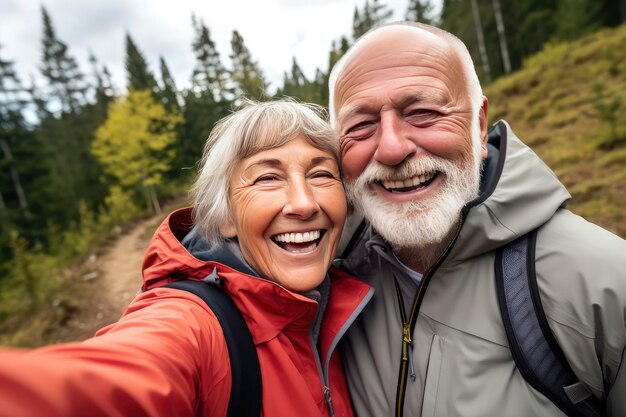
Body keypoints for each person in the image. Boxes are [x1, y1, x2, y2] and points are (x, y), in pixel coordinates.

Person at [0, 99, 372, 417]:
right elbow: (101, 389)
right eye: (266, 179)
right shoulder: (194, 323)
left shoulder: (352, 301)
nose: (305, 203)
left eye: (321, 173)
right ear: (225, 217)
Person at [329, 22, 626, 417]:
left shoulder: (603, 282)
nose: (391, 148)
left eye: (423, 113)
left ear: (479, 125)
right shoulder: (323, 283)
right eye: (361, 125)